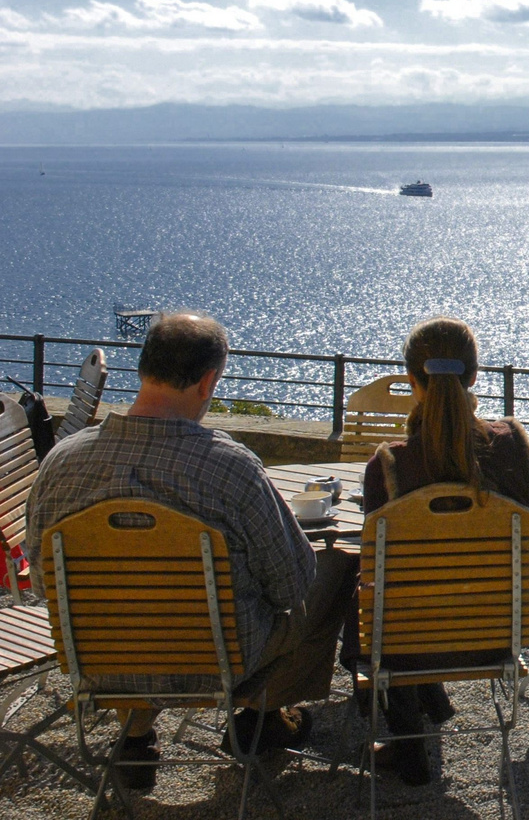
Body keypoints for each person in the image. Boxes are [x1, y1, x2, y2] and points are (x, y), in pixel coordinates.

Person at [26, 313, 356, 790]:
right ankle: (263, 718)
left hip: (100, 657)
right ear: (208, 382)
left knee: (128, 607)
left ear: (143, 369)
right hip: (218, 660)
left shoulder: (61, 462)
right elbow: (291, 585)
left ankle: (136, 735)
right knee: (328, 571)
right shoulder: (230, 467)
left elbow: (41, 583)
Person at [350, 317, 529, 786]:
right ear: (474, 377)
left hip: (406, 645)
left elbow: (376, 566)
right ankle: (431, 705)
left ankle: (407, 735)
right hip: (492, 636)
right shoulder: (512, 446)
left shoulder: (389, 465)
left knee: (362, 598)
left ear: (412, 380)